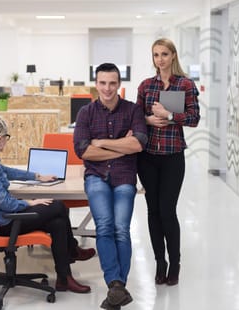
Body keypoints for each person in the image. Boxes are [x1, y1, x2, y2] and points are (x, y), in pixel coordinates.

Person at [0, 114, 96, 294]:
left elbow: (8, 171)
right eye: (6, 138)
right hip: (5, 223)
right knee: (59, 206)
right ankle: (73, 250)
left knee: (58, 223)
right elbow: (5, 204)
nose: (6, 142)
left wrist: (37, 176)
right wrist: (30, 202)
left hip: (1, 219)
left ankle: (64, 279)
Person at [73, 63, 147, 310]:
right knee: (104, 226)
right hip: (95, 177)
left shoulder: (133, 111)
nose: (107, 88)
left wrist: (102, 143)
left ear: (119, 84)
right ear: (96, 84)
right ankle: (116, 285)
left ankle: (117, 287)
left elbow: (138, 145)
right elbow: (83, 150)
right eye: (103, 83)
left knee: (120, 228)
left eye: (112, 83)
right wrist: (120, 145)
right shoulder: (86, 113)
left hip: (125, 177)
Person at [136, 38, 200, 286]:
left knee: (167, 211)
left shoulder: (185, 84)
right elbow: (136, 118)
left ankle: (175, 264)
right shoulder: (145, 85)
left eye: (164, 54)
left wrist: (169, 115)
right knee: (153, 211)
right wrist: (149, 120)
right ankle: (159, 263)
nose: (159, 59)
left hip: (173, 156)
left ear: (173, 56)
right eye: (155, 55)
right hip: (148, 156)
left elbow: (194, 118)